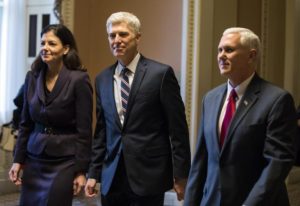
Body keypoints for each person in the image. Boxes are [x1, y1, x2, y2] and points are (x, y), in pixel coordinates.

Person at [84, 11, 191, 206]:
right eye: (112, 35)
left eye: (123, 34)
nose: (117, 40)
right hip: (112, 177)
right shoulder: (102, 79)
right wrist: (93, 173)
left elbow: (178, 129)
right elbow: (101, 132)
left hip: (149, 176)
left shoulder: (160, 74)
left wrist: (181, 174)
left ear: (137, 37)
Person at [184, 27, 298, 206]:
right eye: (219, 50)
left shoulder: (277, 100)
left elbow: (277, 163)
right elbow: (201, 161)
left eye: (229, 50)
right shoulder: (210, 99)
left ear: (251, 56)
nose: (221, 55)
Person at [8, 24, 93, 206]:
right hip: (34, 158)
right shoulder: (32, 77)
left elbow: (84, 130)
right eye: (43, 43)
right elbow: (25, 124)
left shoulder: (79, 80)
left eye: (52, 43)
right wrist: (18, 160)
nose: (45, 47)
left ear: (66, 48)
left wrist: (81, 170)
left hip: (65, 160)